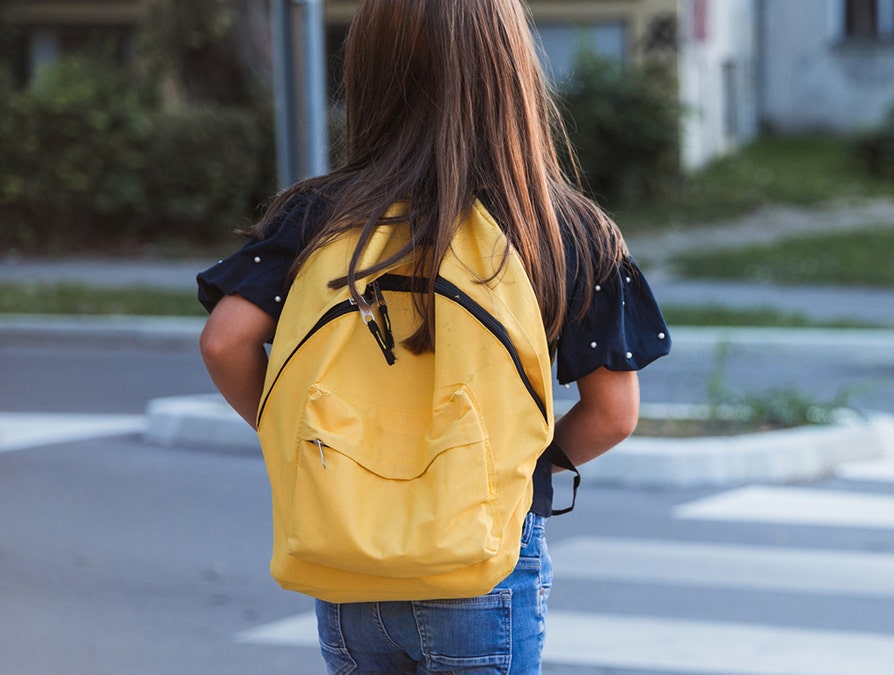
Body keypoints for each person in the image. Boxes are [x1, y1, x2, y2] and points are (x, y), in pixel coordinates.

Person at [195, 0, 670, 672]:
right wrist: (533, 466)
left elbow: (225, 341)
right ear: (510, 69)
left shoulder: (319, 216)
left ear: (371, 72)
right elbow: (614, 413)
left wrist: (299, 438)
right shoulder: (560, 228)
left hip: (349, 556)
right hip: (482, 561)